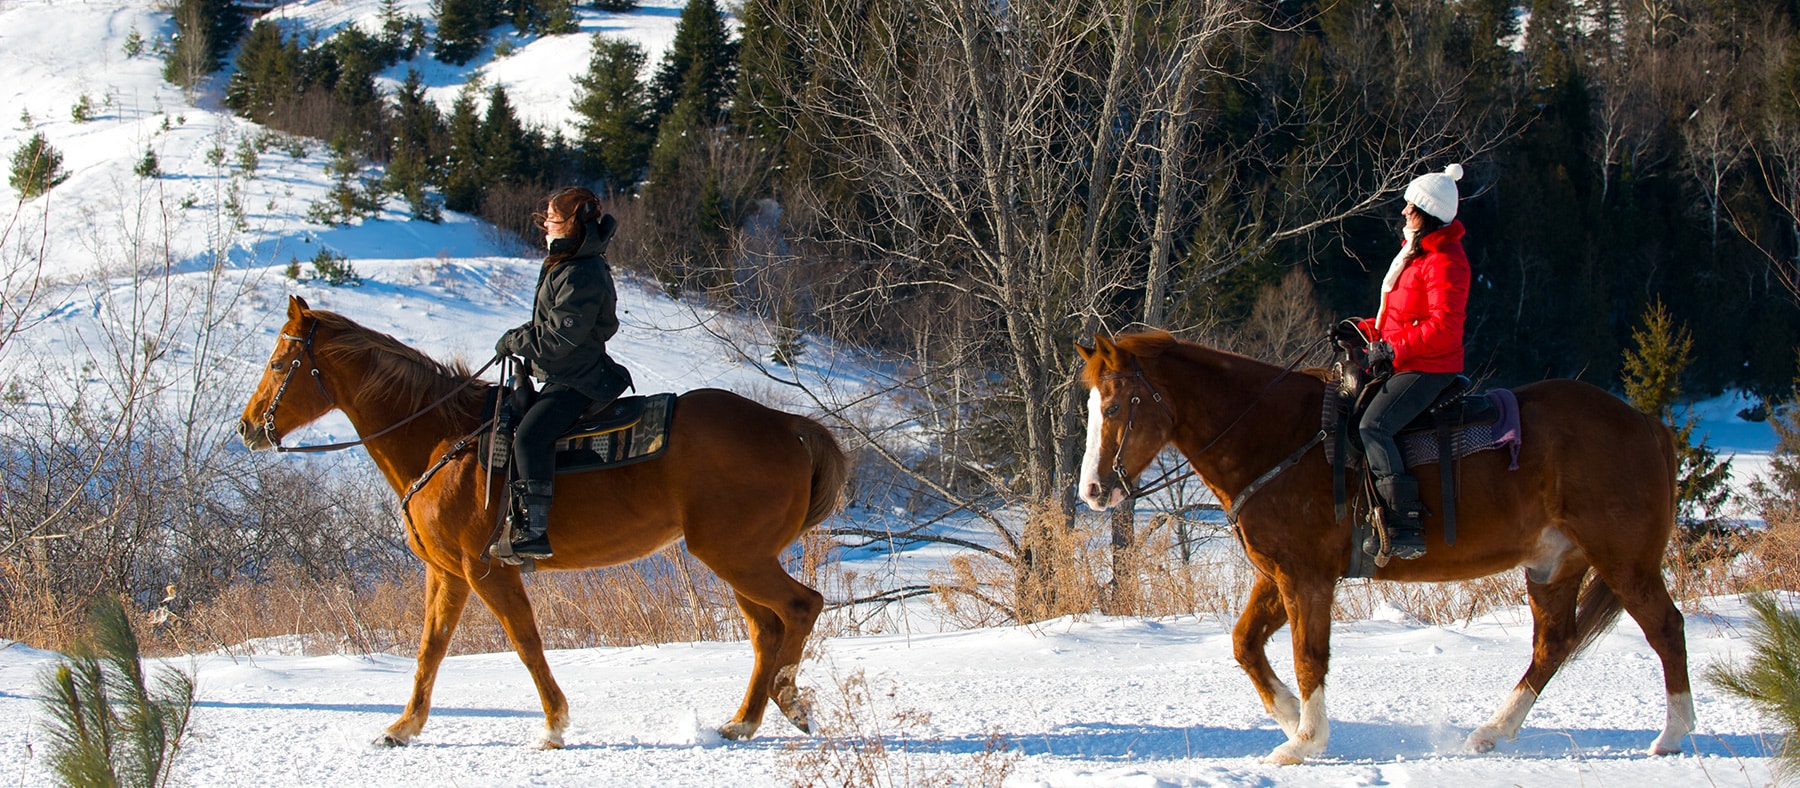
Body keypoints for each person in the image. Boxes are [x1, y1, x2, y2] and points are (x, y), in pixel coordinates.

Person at [1333, 163, 1471, 560]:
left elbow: (1444, 328)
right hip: (1406, 359)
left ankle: (1405, 522)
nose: (1403, 212)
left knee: (1374, 425)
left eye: (1410, 206)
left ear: (1426, 213)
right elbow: (1396, 318)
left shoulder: (1445, 260)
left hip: (1430, 367)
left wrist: (1392, 350)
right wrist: (1360, 331)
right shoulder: (1415, 253)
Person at [493, 187, 632, 560]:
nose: (545, 227)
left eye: (551, 220)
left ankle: (533, 530)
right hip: (564, 374)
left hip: (580, 379)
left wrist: (516, 341)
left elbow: (558, 339)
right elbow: (550, 323)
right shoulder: (569, 263)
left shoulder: (581, 271)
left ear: (571, 224)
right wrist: (520, 340)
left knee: (528, 437)